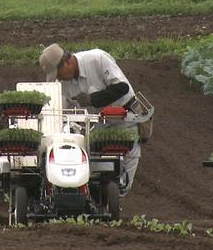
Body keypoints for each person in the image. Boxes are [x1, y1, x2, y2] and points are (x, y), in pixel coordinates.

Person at [39, 43, 141, 196]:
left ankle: (119, 195)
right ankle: (97, 199)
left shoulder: (97, 59)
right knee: (90, 155)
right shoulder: (62, 85)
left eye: (58, 73)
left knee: (130, 151)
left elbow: (122, 88)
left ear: (67, 61)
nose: (58, 78)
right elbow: (63, 112)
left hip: (124, 114)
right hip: (99, 120)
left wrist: (91, 99)